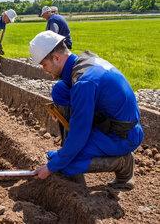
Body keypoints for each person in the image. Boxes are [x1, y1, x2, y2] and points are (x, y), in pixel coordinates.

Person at [29, 31, 143, 189]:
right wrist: (64, 114)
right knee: (60, 89)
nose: (44, 70)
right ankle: (71, 147)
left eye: (44, 64)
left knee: (64, 165)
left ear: (56, 58)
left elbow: (79, 133)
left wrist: (51, 167)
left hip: (122, 135)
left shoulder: (84, 83)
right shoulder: (85, 60)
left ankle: (123, 162)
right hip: (110, 121)